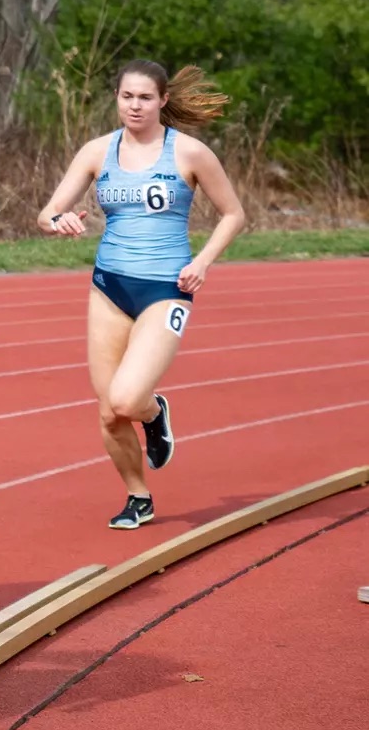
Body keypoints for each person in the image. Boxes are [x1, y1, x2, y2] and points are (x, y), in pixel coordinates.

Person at [37, 61, 245, 528]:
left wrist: (202, 262)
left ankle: (153, 414)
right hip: (109, 287)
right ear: (116, 97)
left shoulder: (189, 153)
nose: (135, 106)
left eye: (145, 98)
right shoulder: (97, 151)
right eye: (127, 96)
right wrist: (58, 221)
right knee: (109, 412)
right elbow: (46, 213)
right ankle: (138, 496)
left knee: (128, 399)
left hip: (166, 288)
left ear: (162, 101)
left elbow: (233, 214)